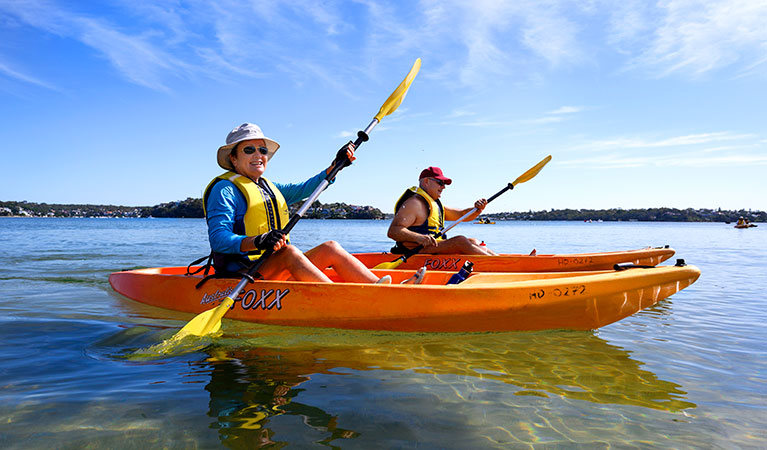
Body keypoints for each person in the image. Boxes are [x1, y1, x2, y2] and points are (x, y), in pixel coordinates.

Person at [204, 123, 390, 284]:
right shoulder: (224, 190)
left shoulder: (270, 188)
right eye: (249, 149)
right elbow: (219, 240)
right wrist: (259, 240)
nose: (258, 155)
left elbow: (307, 188)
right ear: (233, 158)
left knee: (330, 248)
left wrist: (335, 165)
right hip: (241, 277)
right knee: (289, 253)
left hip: (270, 268)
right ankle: (342, 299)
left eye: (263, 150)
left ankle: (380, 289)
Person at [387, 166, 498, 255]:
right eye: (440, 183)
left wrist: (477, 209)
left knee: (474, 241)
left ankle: (498, 260)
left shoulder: (434, 204)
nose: (443, 187)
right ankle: (497, 264)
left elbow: (462, 215)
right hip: (414, 251)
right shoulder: (414, 203)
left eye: (444, 184)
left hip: (432, 247)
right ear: (426, 181)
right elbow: (393, 231)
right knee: (460, 241)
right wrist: (419, 238)